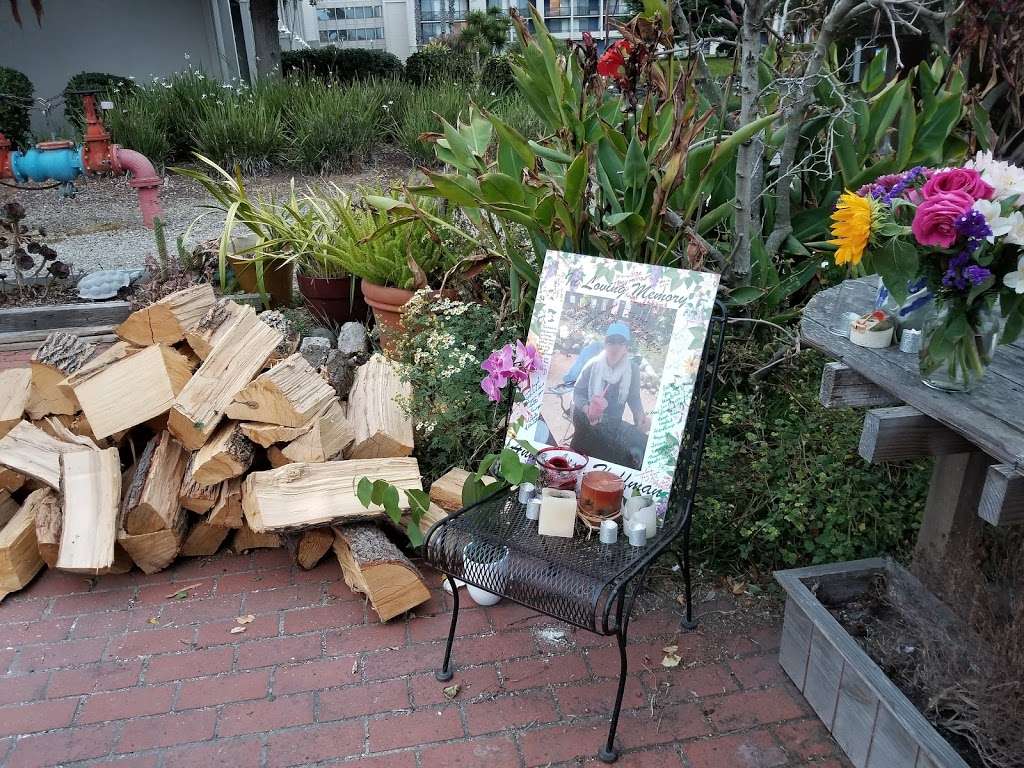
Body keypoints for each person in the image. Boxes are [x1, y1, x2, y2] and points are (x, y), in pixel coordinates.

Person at [569, 321, 651, 469]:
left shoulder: (633, 370)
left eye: (621, 342)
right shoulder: (593, 365)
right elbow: (577, 393)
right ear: (605, 344)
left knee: (641, 446)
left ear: (626, 347)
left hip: (613, 425)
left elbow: (634, 398)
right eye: (611, 341)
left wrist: (640, 416)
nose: (615, 346)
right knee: (581, 460)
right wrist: (587, 409)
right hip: (587, 422)